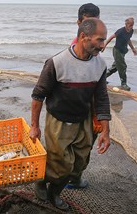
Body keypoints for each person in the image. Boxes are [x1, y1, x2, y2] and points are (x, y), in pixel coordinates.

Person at [30, 18, 111, 210]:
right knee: (61, 164)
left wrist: (106, 131)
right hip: (59, 121)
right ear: (83, 37)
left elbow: (102, 99)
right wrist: (35, 126)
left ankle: (48, 181)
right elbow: (37, 95)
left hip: (82, 120)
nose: (103, 46)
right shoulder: (57, 63)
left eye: (104, 40)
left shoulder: (100, 65)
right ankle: (51, 190)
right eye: (100, 40)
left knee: (79, 163)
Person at [66, 2, 101, 190]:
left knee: (82, 144)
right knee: (81, 145)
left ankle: (71, 177)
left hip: (85, 105)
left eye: (94, 24)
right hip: (80, 107)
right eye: (86, 23)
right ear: (78, 22)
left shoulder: (90, 46)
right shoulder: (78, 49)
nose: (90, 29)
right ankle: (72, 179)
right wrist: (95, 115)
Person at [102, 17, 137, 91]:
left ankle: (102, 79)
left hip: (123, 51)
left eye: (132, 25)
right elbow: (111, 37)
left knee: (115, 68)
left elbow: (128, 40)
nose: (131, 27)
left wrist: (133, 48)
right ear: (126, 24)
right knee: (123, 66)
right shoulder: (121, 31)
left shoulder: (131, 31)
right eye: (130, 25)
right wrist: (104, 45)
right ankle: (124, 84)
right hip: (117, 51)